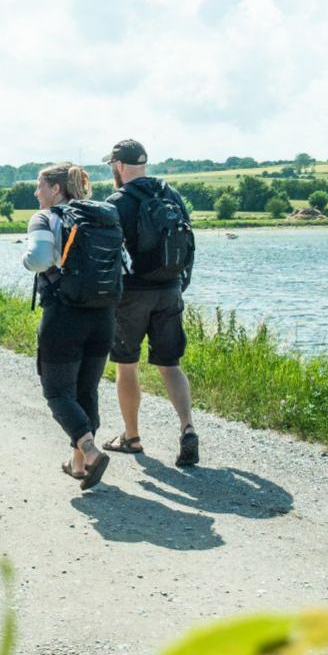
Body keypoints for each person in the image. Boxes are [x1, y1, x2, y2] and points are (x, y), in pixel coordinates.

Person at [22, 162, 125, 490]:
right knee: (86, 390)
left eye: (40, 186)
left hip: (65, 316)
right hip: (103, 315)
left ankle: (91, 452)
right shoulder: (103, 216)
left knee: (57, 392)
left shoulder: (46, 217)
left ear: (56, 189)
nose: (37, 193)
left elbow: (38, 259)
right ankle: (78, 464)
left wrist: (27, 261)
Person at [99, 139, 201, 467]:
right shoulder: (171, 195)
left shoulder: (116, 202)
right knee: (170, 364)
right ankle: (187, 428)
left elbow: (108, 255)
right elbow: (188, 242)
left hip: (132, 295)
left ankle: (131, 437)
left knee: (126, 365)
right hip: (170, 288)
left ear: (118, 165)